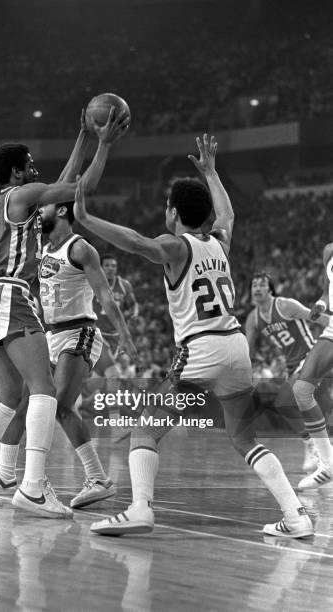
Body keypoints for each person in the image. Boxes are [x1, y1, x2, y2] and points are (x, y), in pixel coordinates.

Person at [74, 133, 313, 538]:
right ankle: (295, 516)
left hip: (201, 349)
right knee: (242, 435)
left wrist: (86, 219)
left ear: (172, 212)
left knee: (146, 427)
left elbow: (134, 242)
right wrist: (212, 173)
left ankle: (139, 509)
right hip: (236, 346)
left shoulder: (175, 245)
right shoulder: (219, 243)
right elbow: (228, 216)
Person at [0, 107, 129, 518]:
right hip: (11, 297)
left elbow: (62, 184)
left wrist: (83, 135)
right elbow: (80, 187)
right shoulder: (23, 195)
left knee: (11, 394)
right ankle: (32, 488)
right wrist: (103, 144)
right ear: (15, 173)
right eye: (28, 165)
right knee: (44, 389)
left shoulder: (6, 203)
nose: (35, 169)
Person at [0, 196, 136, 509]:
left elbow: (106, 296)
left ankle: (98, 478)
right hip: (50, 334)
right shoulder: (41, 251)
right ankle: (6, 472)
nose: (36, 212)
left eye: (41, 208)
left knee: (58, 403)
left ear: (60, 210)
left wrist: (125, 334)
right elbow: (10, 278)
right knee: (24, 402)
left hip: (79, 331)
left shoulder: (80, 248)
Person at [245, 271, 330, 471]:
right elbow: (245, 351)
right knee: (290, 405)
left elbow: (316, 318)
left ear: (270, 289)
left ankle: (314, 447)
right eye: (254, 285)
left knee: (284, 400)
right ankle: (319, 448)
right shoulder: (253, 319)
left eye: (262, 284)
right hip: (292, 366)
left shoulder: (285, 305)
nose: (257, 288)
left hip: (310, 356)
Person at [290, 241, 333, 489]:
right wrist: (321, 305)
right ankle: (327, 464)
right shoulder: (329, 251)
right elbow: (328, 291)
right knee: (301, 390)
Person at [93, 254, 139, 375]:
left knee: (101, 374)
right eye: (107, 265)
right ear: (101, 268)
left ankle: (96, 392)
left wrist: (134, 313)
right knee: (110, 372)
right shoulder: (93, 283)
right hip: (97, 333)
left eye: (113, 266)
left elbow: (133, 305)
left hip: (115, 335)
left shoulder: (124, 285)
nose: (110, 268)